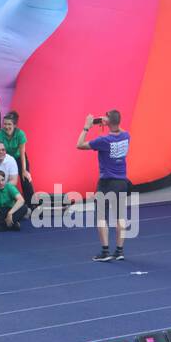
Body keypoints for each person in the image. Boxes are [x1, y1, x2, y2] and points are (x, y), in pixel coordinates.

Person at [77, 111, 131, 263]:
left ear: (107, 122)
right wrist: (109, 122)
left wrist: (86, 127)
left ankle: (105, 251)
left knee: (101, 217)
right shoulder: (126, 136)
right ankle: (119, 251)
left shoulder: (104, 140)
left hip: (107, 183)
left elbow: (79, 145)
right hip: (122, 181)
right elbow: (119, 129)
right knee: (120, 216)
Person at [0, 112, 34, 207]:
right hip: (5, 159)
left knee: (26, 180)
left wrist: (24, 170)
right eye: (5, 124)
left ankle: (32, 205)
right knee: (4, 181)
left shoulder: (20, 134)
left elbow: (22, 153)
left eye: (9, 124)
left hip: (19, 158)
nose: (6, 126)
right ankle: (7, 205)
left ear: (15, 125)